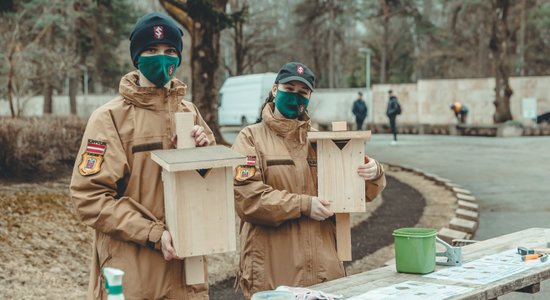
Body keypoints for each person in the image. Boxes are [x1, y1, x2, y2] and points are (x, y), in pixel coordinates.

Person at [70, 12, 215, 299]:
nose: (161, 58)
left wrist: (206, 158)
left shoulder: (190, 113)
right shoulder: (109, 118)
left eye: (170, 51)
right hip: (133, 272)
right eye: (151, 50)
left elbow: (212, 191)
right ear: (137, 57)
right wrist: (152, 233)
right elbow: (89, 198)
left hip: (188, 272)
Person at [231, 62, 386, 299]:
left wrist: (374, 173)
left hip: (324, 273)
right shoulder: (250, 138)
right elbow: (248, 199)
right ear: (275, 90)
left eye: (302, 92)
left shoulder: (321, 142)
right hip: (272, 272)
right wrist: (304, 205)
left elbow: (354, 192)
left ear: (310, 97)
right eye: (289, 88)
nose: (295, 96)